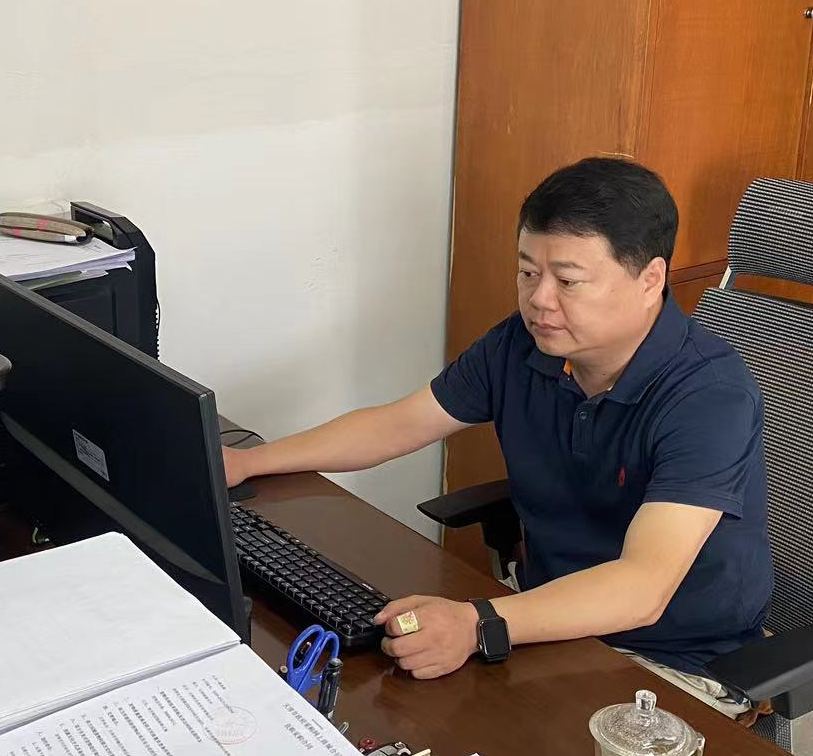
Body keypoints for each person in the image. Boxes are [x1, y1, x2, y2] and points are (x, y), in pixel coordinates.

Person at [223, 157, 773, 718]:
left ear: (650, 279)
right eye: (528, 272)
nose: (540, 300)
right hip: (542, 621)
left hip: (672, 662)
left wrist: (478, 622)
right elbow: (400, 423)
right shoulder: (524, 345)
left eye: (568, 281)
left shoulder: (709, 396)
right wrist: (251, 462)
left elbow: (641, 589)